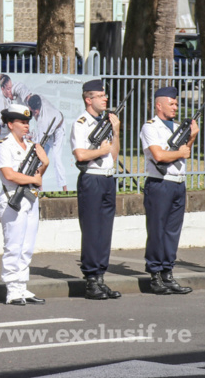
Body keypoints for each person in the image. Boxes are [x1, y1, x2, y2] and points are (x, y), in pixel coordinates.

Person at [140, 86, 197, 295]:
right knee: (157, 231)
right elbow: (159, 156)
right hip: (160, 183)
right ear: (159, 105)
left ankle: (167, 273)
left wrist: (192, 136)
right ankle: (155, 275)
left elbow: (186, 153)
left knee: (173, 231)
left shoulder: (176, 127)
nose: (175, 106)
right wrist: (180, 151)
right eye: (171, 103)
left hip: (177, 183)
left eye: (176, 103)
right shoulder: (150, 127)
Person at [70, 80, 122, 300]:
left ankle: (100, 276)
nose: (105, 98)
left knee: (105, 230)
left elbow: (113, 155)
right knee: (92, 230)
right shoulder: (81, 123)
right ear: (88, 99)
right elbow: (80, 155)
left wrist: (116, 132)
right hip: (92, 179)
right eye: (100, 96)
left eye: (105, 95)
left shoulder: (105, 123)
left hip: (108, 180)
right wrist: (101, 150)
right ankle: (91, 280)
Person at [0, 103, 48, 305]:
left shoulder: (30, 146)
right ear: (10, 124)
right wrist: (34, 179)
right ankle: (12, 289)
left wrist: (45, 164)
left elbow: (36, 176)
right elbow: (9, 174)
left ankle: (22, 286)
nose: (26, 125)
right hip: (12, 198)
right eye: (21, 122)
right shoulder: (4, 145)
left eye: (27, 122)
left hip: (30, 198)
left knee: (27, 246)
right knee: (13, 245)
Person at [28, 94, 67, 191]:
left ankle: (64, 188)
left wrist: (30, 139)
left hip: (58, 130)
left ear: (36, 111)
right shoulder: (39, 99)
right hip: (50, 128)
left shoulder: (43, 121)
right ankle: (39, 187)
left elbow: (39, 144)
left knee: (56, 157)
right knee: (39, 159)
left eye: (32, 112)